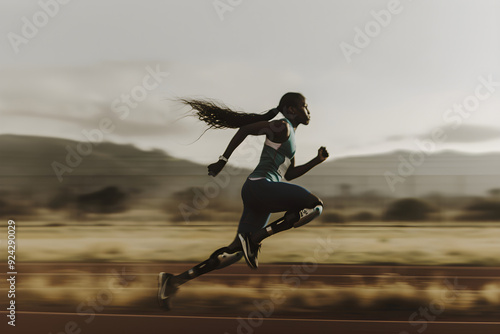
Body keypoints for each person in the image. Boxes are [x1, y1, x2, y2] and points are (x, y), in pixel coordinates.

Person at [158, 92, 329, 310]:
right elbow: (246, 129)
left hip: (261, 194)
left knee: (234, 253)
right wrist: (222, 160)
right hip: (260, 187)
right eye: (306, 106)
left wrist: (317, 160)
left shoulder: (290, 135)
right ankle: (255, 238)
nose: (309, 111)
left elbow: (290, 174)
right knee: (314, 206)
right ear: (291, 110)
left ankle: (173, 281)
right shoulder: (282, 126)